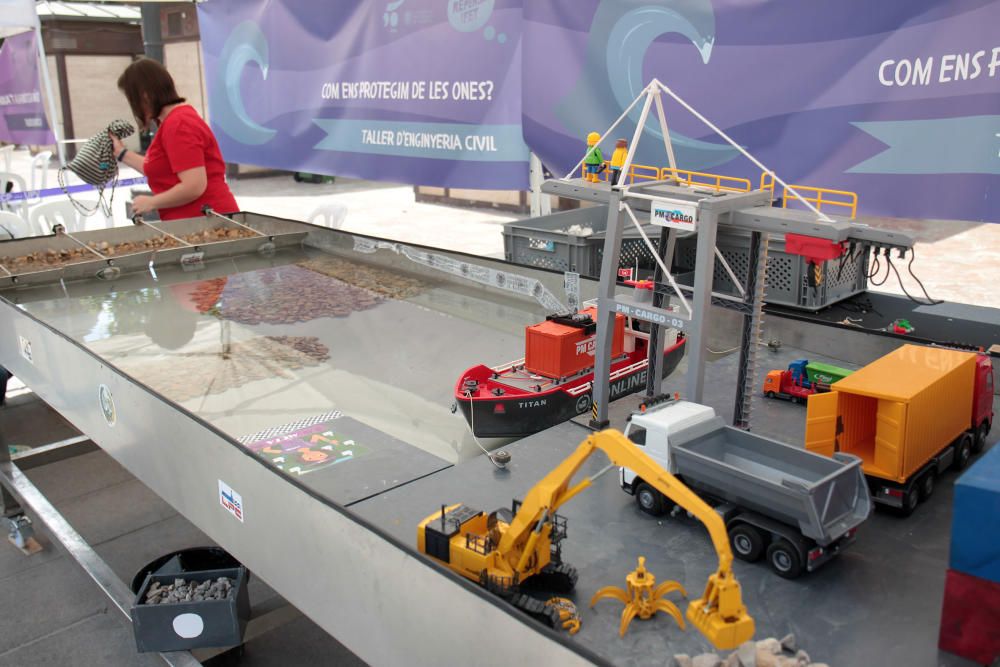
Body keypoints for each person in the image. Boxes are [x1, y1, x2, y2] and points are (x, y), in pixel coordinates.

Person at [111, 59, 238, 220]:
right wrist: (121, 153)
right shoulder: (176, 121)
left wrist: (151, 202)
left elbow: (194, 186)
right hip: (199, 221)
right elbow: (161, 170)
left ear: (145, 96)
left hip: (207, 222)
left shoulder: (178, 125)